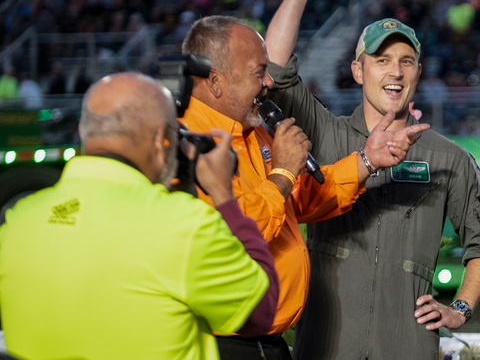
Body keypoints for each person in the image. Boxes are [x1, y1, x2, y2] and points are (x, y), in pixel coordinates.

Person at [263, 0, 480, 360]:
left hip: (407, 344)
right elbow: (276, 68)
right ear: (359, 71)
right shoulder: (326, 133)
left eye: (406, 61)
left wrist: (461, 308)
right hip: (327, 343)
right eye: (381, 60)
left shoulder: (448, 157)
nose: (394, 71)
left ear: (417, 72)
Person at [180, 11, 426, 359]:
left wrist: (366, 161)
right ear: (216, 81)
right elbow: (228, 235)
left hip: (268, 342)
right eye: (258, 72)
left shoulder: (252, 131)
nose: (268, 83)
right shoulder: (185, 146)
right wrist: (281, 173)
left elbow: (296, 201)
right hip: (219, 344)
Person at [0, 73, 278, 360]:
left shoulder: (17, 222)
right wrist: (223, 195)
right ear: (160, 139)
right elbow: (261, 309)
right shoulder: (185, 226)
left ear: (84, 133)